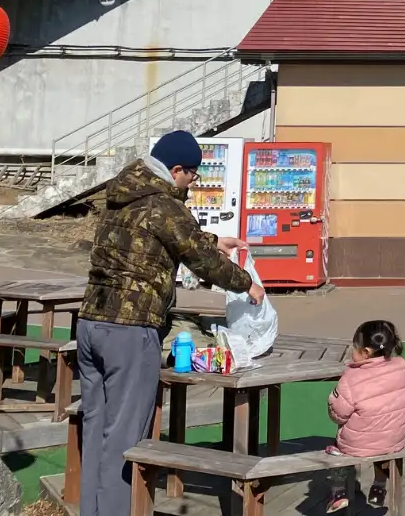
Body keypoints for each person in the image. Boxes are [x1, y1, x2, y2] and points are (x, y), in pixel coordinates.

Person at [77, 130, 265, 516]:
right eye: (192, 175)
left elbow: (165, 236)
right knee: (125, 437)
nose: (194, 182)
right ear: (175, 170)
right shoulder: (164, 204)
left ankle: (91, 510)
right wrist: (248, 284)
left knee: (95, 428)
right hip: (130, 328)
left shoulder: (121, 194)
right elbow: (200, 259)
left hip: (90, 323)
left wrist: (215, 239)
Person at [325, 320, 405, 513]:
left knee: (336, 450)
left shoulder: (350, 377)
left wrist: (332, 400)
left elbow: (338, 415)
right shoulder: (401, 366)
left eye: (353, 348)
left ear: (365, 353)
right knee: (380, 440)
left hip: (358, 444)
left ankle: (338, 493)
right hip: (395, 439)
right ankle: (379, 487)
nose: (351, 352)